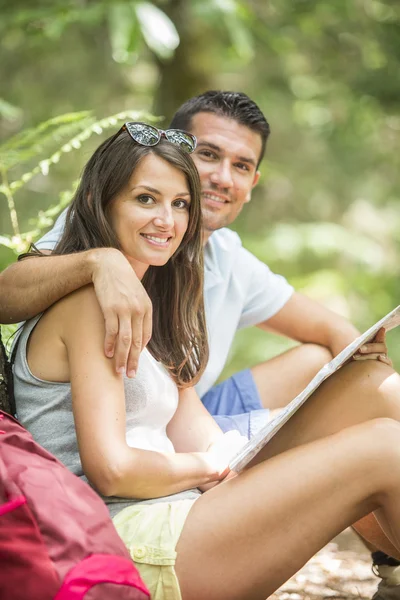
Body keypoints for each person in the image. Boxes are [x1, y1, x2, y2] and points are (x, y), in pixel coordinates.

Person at [11, 121, 400, 600]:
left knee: (372, 393)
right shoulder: (87, 304)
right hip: (127, 541)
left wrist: (263, 454)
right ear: (98, 202)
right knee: (387, 448)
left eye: (180, 205)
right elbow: (111, 469)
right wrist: (205, 466)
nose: (167, 221)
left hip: (180, 512)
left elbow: (202, 434)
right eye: (146, 199)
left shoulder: (154, 303)